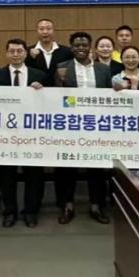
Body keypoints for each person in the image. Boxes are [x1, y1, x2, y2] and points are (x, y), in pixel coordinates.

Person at [54, 32, 113, 225]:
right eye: (77, 45)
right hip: (70, 125)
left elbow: (110, 96)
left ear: (90, 47)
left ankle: (96, 205)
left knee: (96, 168)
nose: (80, 48)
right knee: (67, 168)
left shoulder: (103, 69)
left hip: (96, 125)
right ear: (71, 48)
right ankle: (67, 205)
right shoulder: (62, 68)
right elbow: (54, 97)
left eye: (84, 45)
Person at [0, 38, 47, 227]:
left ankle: (31, 212)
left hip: (32, 133)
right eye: (12, 51)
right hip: (5, 133)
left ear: (25, 53)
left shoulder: (39, 75)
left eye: (19, 51)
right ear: (6, 53)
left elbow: (50, 102)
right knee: (7, 175)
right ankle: (9, 212)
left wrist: (42, 91)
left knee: (34, 175)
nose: (15, 55)